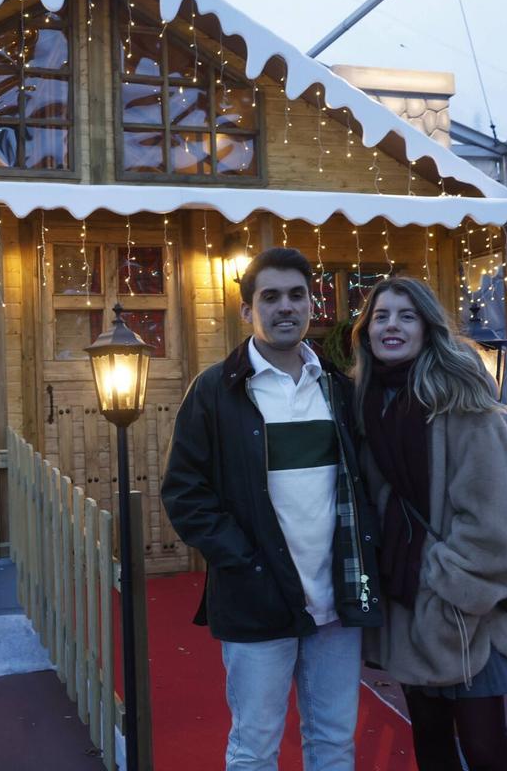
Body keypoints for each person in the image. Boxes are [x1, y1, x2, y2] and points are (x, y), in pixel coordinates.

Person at [162, 247, 382, 771]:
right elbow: (185, 494)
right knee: (254, 746)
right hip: (257, 600)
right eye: (270, 297)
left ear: (312, 303)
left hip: (337, 602)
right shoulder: (215, 392)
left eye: (296, 295)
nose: (285, 306)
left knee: (333, 742)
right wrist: (247, 563)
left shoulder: (339, 389)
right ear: (247, 311)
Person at [351, 277, 507, 771]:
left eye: (406, 316)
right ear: (366, 331)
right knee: (430, 744)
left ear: (428, 328)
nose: (392, 326)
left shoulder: (462, 400)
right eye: (382, 316)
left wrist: (453, 588)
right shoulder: (366, 404)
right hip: (408, 608)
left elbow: (495, 521)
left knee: (485, 748)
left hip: (465, 608)